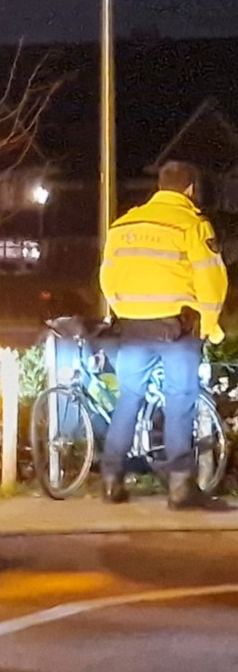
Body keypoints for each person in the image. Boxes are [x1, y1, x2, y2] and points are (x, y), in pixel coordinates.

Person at [97, 158, 228, 508]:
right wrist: (211, 325)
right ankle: (181, 487)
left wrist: (122, 309)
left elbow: (107, 276)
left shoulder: (124, 224)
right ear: (190, 189)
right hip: (177, 328)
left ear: (159, 186)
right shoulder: (192, 223)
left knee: (129, 398)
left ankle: (111, 480)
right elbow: (211, 279)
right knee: (180, 400)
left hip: (133, 327)